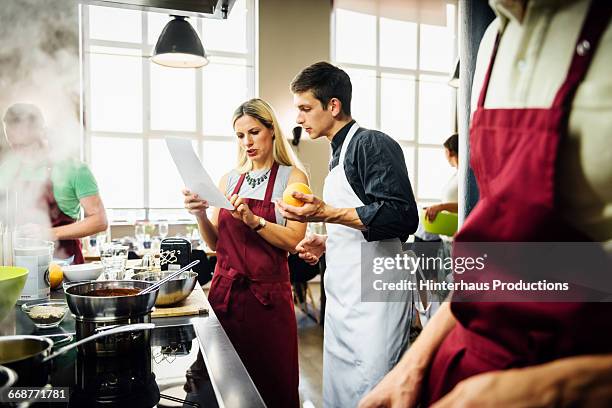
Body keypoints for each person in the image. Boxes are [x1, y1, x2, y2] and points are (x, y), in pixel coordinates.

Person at [359, 0, 612, 406]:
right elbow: (489, 267)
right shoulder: (492, 40)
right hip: (463, 363)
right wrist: (412, 365)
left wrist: (556, 389)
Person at [276, 61, 419, 407]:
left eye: (306, 108)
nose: (299, 118)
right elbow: (363, 220)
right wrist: (328, 240)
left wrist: (326, 213)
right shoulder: (338, 154)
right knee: (342, 395)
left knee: (373, 393)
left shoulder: (370, 144)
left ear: (334, 106)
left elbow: (402, 217)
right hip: (345, 302)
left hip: (374, 303)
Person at [182, 98, 308, 408]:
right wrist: (199, 214)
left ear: (272, 131)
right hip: (225, 297)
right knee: (214, 384)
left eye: (254, 132)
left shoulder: (293, 179)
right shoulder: (229, 179)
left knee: (272, 385)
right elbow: (215, 243)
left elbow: (294, 239)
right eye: (240, 136)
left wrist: (256, 222)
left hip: (267, 302)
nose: (247, 142)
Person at [0, 103, 107, 264]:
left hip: (64, 267)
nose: (19, 151)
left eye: (25, 144)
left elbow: (99, 220)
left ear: (42, 132)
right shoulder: (7, 168)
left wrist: (49, 232)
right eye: (13, 145)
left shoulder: (75, 169)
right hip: (18, 267)